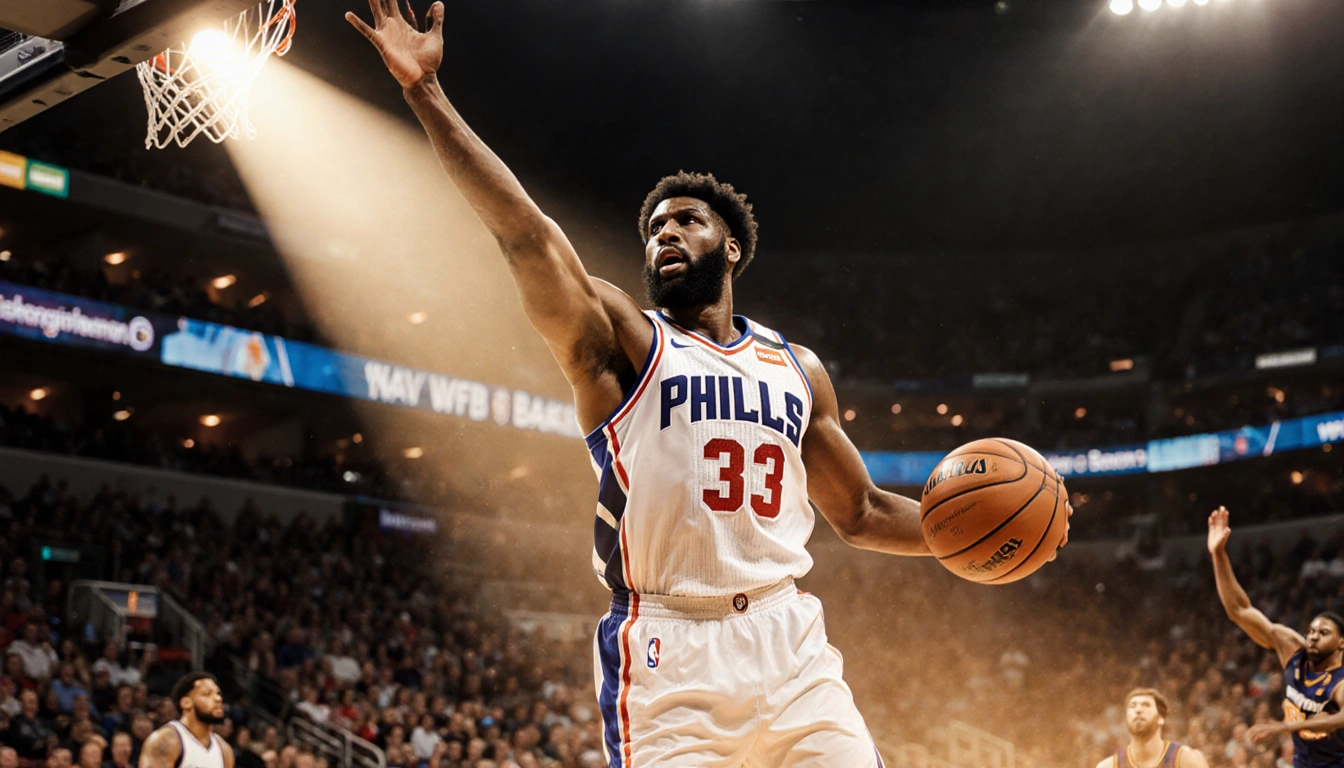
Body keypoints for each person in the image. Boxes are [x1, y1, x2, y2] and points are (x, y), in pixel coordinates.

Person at [346, 3, 1070, 764]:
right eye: (654, 228)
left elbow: (859, 511)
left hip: (789, 643)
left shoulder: (798, 367)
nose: (664, 232)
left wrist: (981, 537)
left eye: (685, 220)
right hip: (668, 651)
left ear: (730, 247)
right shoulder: (623, 342)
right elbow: (526, 235)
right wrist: (425, 92)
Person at [1208, 507, 1344, 759]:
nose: (1313, 636)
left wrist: (1284, 727)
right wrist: (1218, 555)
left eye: (1324, 632)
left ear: (1340, 644)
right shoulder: (1294, 650)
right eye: (1312, 630)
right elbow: (1239, 610)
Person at [137, 674, 234, 768]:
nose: (218, 698)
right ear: (186, 703)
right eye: (207, 694)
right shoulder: (166, 741)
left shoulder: (224, 750)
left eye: (218, 694)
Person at [1093, 691, 1208, 768]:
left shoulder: (1186, 759)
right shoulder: (1108, 766)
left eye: (1146, 705)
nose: (1138, 710)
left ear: (1161, 718)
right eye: (1133, 706)